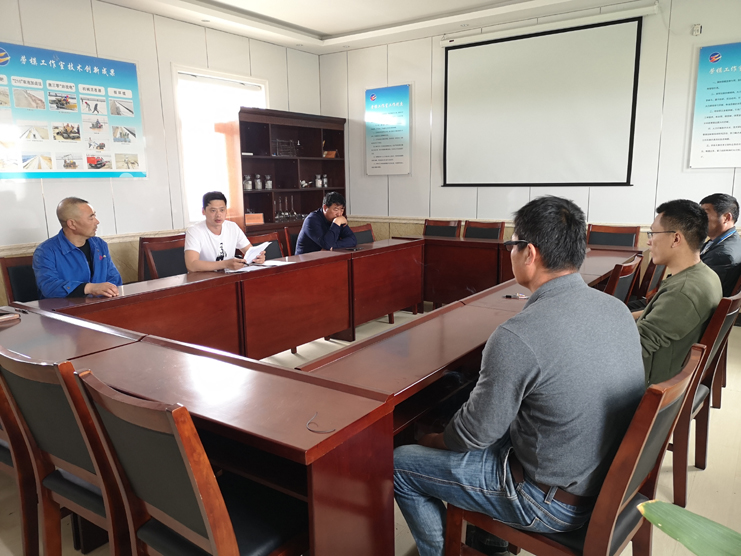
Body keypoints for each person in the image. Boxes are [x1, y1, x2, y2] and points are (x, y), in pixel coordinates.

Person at [394, 196, 645, 556]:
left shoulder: (518, 336)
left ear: (529, 253)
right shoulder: (617, 309)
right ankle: (487, 540)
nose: (510, 253)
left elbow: (471, 436)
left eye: (512, 245)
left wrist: (431, 441)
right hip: (602, 479)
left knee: (402, 463)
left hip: (549, 503)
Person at [635, 199, 722, 385]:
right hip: (667, 370)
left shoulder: (683, 291)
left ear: (676, 239)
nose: (649, 241)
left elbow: (637, 346)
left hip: (651, 383)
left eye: (653, 233)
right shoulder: (705, 275)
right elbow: (658, 317)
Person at [33, 197, 122, 299]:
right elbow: (49, 287)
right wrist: (89, 288)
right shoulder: (45, 251)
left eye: (95, 216)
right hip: (66, 308)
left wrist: (110, 290)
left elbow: (114, 279)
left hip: (102, 304)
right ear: (72, 224)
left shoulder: (100, 244)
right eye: (91, 218)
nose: (97, 222)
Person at [184, 191, 265, 272]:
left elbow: (250, 251)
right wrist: (225, 264)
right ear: (203, 211)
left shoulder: (232, 227)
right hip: (205, 278)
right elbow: (191, 265)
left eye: (222, 210)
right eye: (213, 210)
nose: (218, 215)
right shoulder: (194, 231)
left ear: (226, 211)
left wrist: (258, 257)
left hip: (229, 276)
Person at [699, 193, 741, 296]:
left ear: (726, 217)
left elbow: (699, 288)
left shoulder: (722, 255)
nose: (699, 219)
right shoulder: (728, 241)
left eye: (704, 214)